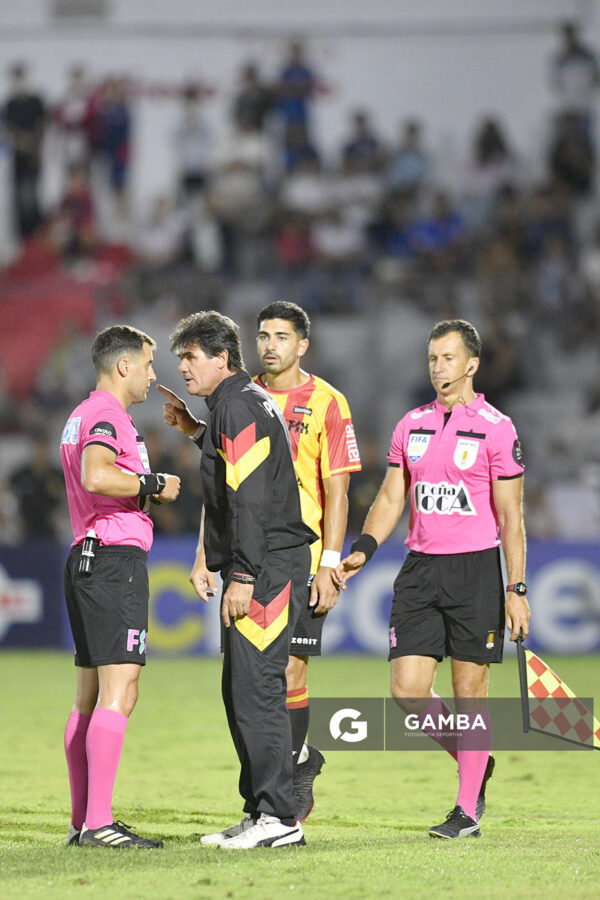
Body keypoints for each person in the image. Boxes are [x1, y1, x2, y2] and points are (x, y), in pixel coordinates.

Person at [335, 319, 530, 839]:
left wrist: (516, 590)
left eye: (448, 358)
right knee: (408, 690)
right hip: (420, 570)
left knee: (471, 693)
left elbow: (512, 518)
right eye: (432, 359)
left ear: (471, 364)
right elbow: (392, 498)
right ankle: (476, 758)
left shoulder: (496, 426)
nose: (439, 367)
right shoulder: (411, 424)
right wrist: (364, 549)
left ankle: (466, 811)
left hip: (475, 571)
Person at [158, 310, 316, 849]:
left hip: (267, 565)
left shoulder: (239, 405)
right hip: (264, 561)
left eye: (190, 356)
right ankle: (260, 810)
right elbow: (242, 463)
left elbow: (250, 496)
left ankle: (280, 818)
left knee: (257, 688)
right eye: (180, 357)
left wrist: (244, 573)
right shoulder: (234, 405)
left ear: (221, 357)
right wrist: (197, 430)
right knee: (241, 688)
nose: (181, 367)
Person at [60, 325, 180, 849]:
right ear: (124, 366)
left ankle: (84, 821)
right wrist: (153, 485)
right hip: (112, 560)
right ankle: (99, 824)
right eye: (150, 365)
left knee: (89, 697)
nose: (155, 375)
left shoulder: (83, 414)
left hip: (89, 556)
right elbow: (96, 475)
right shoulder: (107, 414)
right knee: (120, 692)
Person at [253, 301, 361, 820]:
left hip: (307, 557)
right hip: (252, 560)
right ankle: (286, 768)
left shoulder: (328, 402)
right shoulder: (242, 397)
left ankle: (292, 773)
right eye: (263, 335)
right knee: (250, 675)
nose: (270, 345)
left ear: (302, 345)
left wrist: (330, 562)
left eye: (281, 336)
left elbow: (338, 491)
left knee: (292, 670)